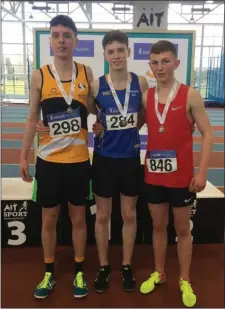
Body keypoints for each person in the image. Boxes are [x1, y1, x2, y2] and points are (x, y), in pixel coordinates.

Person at [20, 15, 94, 299]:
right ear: (50, 41)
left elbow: (93, 112)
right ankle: (49, 271)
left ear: (75, 40)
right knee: (48, 220)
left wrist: (98, 123)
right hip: (48, 163)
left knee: (78, 219)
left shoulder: (87, 73)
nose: (61, 40)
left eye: (66, 35)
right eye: (56, 35)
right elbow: (30, 119)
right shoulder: (40, 74)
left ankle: (78, 270)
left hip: (78, 162)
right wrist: (24, 156)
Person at [140, 40, 213, 307]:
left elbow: (208, 134)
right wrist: (101, 126)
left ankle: (184, 278)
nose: (160, 67)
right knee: (158, 228)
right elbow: (129, 124)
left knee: (182, 230)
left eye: (166, 61)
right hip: (153, 177)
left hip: (181, 178)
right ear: (150, 66)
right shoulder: (147, 97)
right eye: (155, 62)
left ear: (176, 64)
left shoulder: (190, 95)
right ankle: (159, 273)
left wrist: (202, 172)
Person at [90, 30, 149, 293]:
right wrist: (98, 126)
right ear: (104, 54)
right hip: (103, 159)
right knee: (102, 216)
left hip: (129, 159)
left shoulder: (142, 83)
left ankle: (125, 265)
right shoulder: (95, 85)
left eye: (120, 50)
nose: (116, 56)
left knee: (128, 214)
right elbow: (93, 113)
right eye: (110, 51)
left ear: (128, 51)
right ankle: (104, 266)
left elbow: (144, 116)